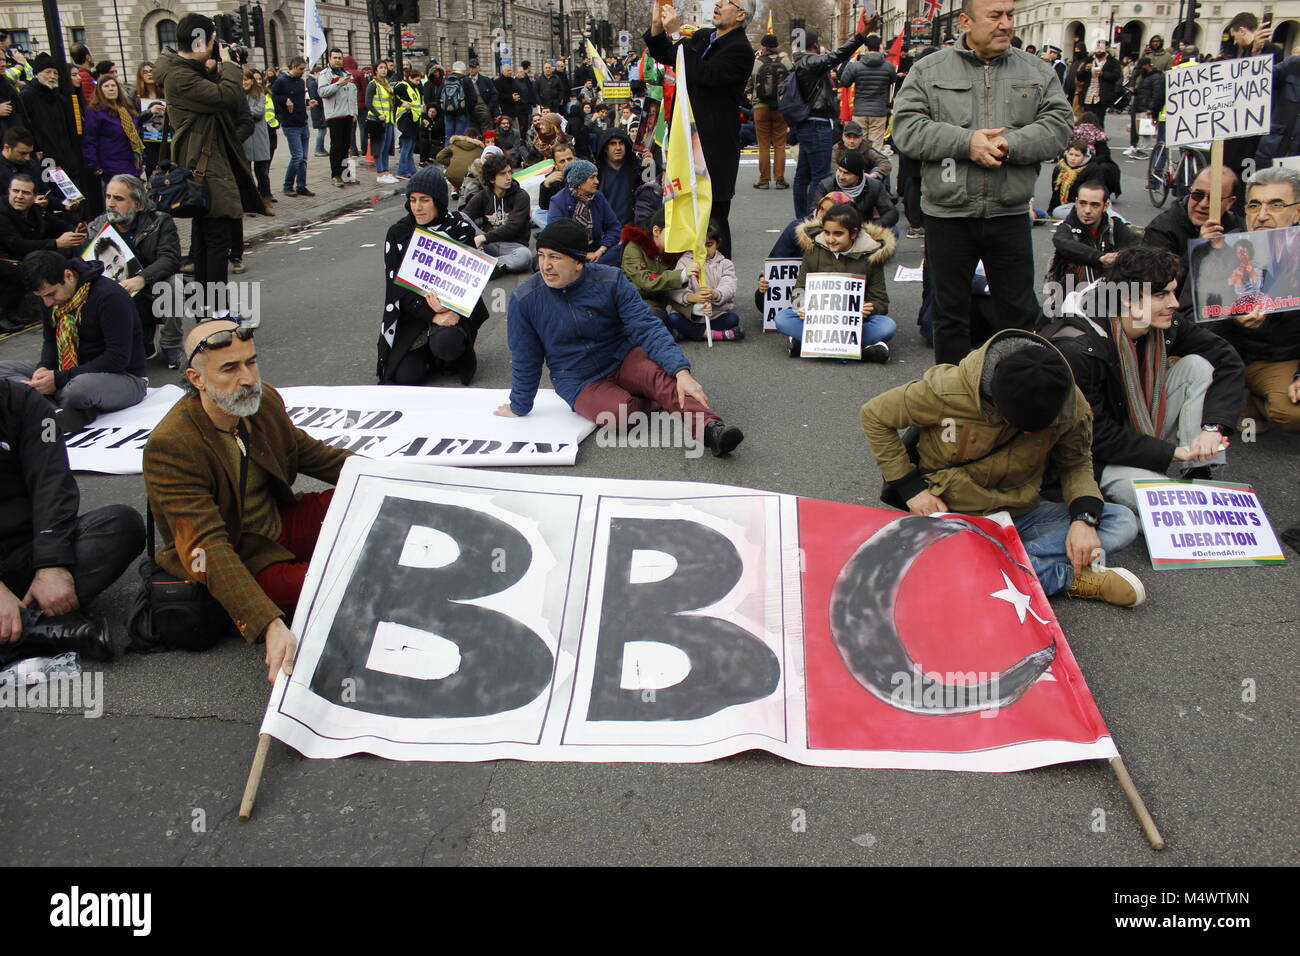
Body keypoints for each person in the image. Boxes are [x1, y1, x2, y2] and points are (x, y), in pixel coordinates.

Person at [861, 328, 1145, 607]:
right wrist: (911, 488)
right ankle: (1061, 577)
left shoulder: (1070, 404)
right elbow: (874, 415)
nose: (1032, 436)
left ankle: (997, 566)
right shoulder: (948, 391)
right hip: (954, 513)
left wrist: (1083, 520)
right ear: (995, 402)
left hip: (1020, 512)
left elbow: (1076, 463)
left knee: (1121, 521)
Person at [143, 317, 354, 682]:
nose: (248, 378)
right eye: (230, 368)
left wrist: (399, 482)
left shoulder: (263, 399)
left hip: (279, 520)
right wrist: (269, 624)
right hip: (239, 554)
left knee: (368, 505)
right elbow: (207, 547)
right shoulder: (172, 446)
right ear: (197, 380)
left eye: (251, 362)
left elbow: (318, 456)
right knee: (347, 580)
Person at [892, 0, 1073, 366]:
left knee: (1020, 317)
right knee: (950, 317)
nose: (1006, 24)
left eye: (1010, 15)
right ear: (965, 22)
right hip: (948, 214)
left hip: (1009, 212)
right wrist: (966, 142)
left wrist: (1012, 143)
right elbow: (906, 129)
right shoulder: (929, 70)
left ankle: (1017, 400)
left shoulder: (1036, 71)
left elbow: (1059, 125)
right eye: (995, 16)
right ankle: (956, 405)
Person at [496, 218, 744, 457]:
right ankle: (654, 400)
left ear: (579, 262)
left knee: (662, 379)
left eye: (555, 257)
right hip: (578, 378)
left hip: (622, 356)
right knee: (621, 415)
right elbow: (525, 358)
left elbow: (647, 327)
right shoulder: (524, 299)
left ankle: (711, 429)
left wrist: (681, 372)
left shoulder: (610, 279)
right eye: (541, 255)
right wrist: (519, 405)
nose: (545, 265)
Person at [1045, 246, 1245, 512]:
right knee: (1177, 508)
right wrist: (1171, 452)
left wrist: (1212, 429)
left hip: (1132, 427)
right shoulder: (1079, 345)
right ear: (1129, 299)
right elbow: (1092, 435)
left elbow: (1227, 359)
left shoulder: (1161, 321)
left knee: (1198, 366)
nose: (1174, 303)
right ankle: (1122, 495)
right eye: (1161, 294)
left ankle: (1197, 470)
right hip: (1089, 457)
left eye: (1173, 291)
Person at [0, 378, 143, 665]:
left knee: (122, 524)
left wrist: (51, 564)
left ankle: (21, 628)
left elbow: (51, 483)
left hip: (28, 553)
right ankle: (44, 631)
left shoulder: (22, 402)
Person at [153, 15, 262, 289]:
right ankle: (216, 312)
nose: (216, 46)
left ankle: (207, 309)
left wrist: (215, 67)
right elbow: (226, 96)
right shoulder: (180, 77)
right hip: (204, 163)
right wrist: (230, 65)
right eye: (213, 41)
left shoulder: (184, 70)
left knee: (204, 238)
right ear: (201, 42)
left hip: (202, 159)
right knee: (216, 240)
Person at [644, 0, 755, 258]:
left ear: (740, 14)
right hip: (685, 140)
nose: (718, 4)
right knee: (684, 207)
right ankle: (687, 278)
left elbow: (704, 74)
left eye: (728, 2)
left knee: (713, 216)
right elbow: (668, 56)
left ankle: (720, 282)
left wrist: (675, 34)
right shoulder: (704, 37)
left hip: (714, 145)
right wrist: (657, 26)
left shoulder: (740, 50)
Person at [0, 251, 146, 435]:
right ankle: (59, 410)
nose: (47, 303)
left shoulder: (110, 296)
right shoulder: (50, 299)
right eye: (42, 297)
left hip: (122, 377)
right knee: (3, 370)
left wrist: (59, 379)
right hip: (68, 372)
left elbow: (117, 359)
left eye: (51, 295)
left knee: (78, 388)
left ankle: (44, 404)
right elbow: (51, 341)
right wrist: (44, 368)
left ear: (68, 276)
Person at [1210, 165, 1300, 433]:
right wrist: (1231, 316)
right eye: (1254, 205)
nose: (1262, 215)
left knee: (1292, 412)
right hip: (1226, 353)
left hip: (1277, 359)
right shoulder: (1220, 247)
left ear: (1297, 211)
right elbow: (1189, 316)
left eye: (1276, 205)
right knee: (1175, 367)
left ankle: (1260, 402)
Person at [378, 167, 487, 386]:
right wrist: (432, 313)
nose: (417, 207)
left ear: (438, 201)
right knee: (406, 378)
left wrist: (449, 308)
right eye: (412, 199)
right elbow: (396, 289)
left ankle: (446, 356)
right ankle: (424, 354)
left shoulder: (459, 228)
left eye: (425, 200)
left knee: (447, 344)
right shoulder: (398, 233)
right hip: (413, 313)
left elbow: (469, 282)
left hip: (452, 311)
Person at [773, 202, 896, 362]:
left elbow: (881, 302)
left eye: (838, 234)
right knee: (782, 318)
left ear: (853, 233)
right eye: (827, 233)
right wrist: (801, 307)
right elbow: (799, 290)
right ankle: (860, 351)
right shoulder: (813, 250)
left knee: (887, 326)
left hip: (854, 324)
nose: (830, 239)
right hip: (817, 321)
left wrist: (870, 308)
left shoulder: (871, 256)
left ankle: (809, 345)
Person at [82, 173, 181, 366]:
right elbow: (88, 266)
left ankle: (172, 345)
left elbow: (170, 259)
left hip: (149, 287)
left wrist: (141, 278)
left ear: (137, 203)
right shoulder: (96, 226)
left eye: (118, 198)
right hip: (114, 292)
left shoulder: (160, 222)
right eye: (108, 196)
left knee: (173, 284)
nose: (110, 203)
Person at [785, 27, 871, 220]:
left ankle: (802, 219)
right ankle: (813, 218)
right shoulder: (809, 61)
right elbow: (836, 56)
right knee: (819, 176)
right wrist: (860, 37)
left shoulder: (799, 62)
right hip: (817, 124)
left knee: (803, 175)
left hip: (807, 124)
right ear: (815, 46)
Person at [1143, 165, 1243, 301]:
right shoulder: (1162, 229)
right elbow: (1155, 285)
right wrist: (1198, 249)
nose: (1203, 204)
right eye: (1197, 195)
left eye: (1213, 199)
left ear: (1230, 202)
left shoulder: (1238, 228)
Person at [17, 55, 92, 214]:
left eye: (55, 73)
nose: (52, 76)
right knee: (53, 198)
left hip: (66, 157)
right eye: (47, 72)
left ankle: (78, 223)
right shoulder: (27, 96)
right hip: (45, 158)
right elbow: (23, 125)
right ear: (37, 74)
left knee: (73, 198)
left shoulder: (59, 97)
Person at [1044, 181, 1138, 287]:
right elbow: (1062, 242)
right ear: (1076, 202)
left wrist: (1119, 256)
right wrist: (1099, 257)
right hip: (1072, 293)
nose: (1087, 210)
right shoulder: (1066, 227)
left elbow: (1137, 245)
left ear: (1106, 206)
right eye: (1082, 203)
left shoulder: (1114, 225)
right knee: (1084, 265)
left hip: (1111, 287)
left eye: (1095, 205)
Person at [666, 220, 742, 342]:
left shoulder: (725, 264)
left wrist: (715, 293)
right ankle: (713, 335)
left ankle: (689, 333)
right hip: (691, 314)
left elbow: (729, 286)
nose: (704, 250)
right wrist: (692, 297)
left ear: (717, 244)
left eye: (709, 244)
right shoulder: (684, 262)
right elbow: (675, 289)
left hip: (715, 313)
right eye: (699, 245)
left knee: (732, 319)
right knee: (673, 319)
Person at [462, 153, 533, 275]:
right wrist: (474, 237)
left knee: (525, 256)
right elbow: (464, 217)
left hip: (513, 247)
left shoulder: (521, 196)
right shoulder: (483, 196)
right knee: (461, 217)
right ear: (491, 179)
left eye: (510, 172)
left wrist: (482, 238)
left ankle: (484, 264)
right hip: (490, 245)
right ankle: (491, 264)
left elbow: (513, 227)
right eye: (503, 174)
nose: (508, 177)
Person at [546, 159, 622, 263]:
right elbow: (557, 238)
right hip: (570, 254)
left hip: (597, 252)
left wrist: (601, 250)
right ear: (579, 181)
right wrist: (583, 255)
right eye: (592, 177)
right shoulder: (558, 201)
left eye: (596, 176)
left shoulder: (598, 197)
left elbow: (614, 227)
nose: (597, 181)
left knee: (621, 250)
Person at [810, 150, 898, 231]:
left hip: (864, 228)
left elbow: (891, 212)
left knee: (894, 230)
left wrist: (872, 226)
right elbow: (813, 211)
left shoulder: (874, 186)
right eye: (839, 171)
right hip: (834, 230)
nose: (841, 176)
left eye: (846, 173)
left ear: (858, 175)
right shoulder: (826, 185)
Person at [748, 34, 792, 190]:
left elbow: (749, 85)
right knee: (780, 144)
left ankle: (764, 179)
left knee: (764, 144)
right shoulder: (786, 62)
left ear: (764, 47)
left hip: (761, 107)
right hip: (780, 107)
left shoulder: (757, 63)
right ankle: (780, 179)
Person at [839, 34, 898, 150]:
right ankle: (873, 167)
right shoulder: (888, 66)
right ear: (880, 47)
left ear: (866, 47)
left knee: (858, 144)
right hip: (879, 110)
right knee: (875, 146)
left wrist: (850, 63)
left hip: (860, 110)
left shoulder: (856, 65)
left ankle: (860, 167)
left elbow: (844, 82)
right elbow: (893, 80)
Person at [273, 57, 314, 197]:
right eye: (301, 69)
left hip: (302, 122)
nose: (303, 72)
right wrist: (285, 100)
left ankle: (301, 186)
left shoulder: (301, 82)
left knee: (303, 158)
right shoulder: (281, 81)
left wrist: (308, 103)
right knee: (297, 156)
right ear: (294, 67)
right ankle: (288, 185)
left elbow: (300, 100)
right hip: (290, 125)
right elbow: (272, 95)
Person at [317, 48, 357, 188]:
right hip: (334, 115)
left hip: (348, 114)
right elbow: (322, 92)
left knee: (346, 145)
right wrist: (338, 83)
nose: (338, 60)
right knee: (336, 146)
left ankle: (346, 174)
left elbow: (353, 95)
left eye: (340, 58)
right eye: (335, 58)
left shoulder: (347, 74)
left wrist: (354, 112)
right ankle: (336, 175)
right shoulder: (324, 74)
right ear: (329, 59)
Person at [239, 69, 274, 215]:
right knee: (245, 174)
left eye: (247, 79)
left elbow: (259, 113)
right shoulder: (236, 96)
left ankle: (266, 201)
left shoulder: (259, 94)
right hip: (244, 139)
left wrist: (242, 111)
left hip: (259, 138)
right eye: (242, 80)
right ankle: (249, 202)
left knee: (262, 172)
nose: (245, 82)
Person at [594, 126, 639, 227]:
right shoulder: (596, 174)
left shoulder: (637, 169)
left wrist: (651, 165)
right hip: (606, 231)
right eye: (613, 144)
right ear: (605, 148)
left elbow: (651, 187)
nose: (618, 148)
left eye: (621, 143)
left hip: (632, 229)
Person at [366, 61, 398, 186]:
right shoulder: (373, 84)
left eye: (385, 68)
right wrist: (378, 114)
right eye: (381, 68)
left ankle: (386, 171)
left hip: (388, 120)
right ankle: (380, 173)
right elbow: (368, 102)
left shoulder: (387, 84)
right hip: (377, 121)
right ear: (376, 71)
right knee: (379, 148)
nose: (384, 70)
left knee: (386, 148)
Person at [832, 120, 892, 184]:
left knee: (880, 171)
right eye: (848, 137)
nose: (852, 141)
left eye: (855, 137)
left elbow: (885, 163)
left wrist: (875, 174)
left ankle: (882, 193)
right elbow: (832, 166)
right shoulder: (837, 148)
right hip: (842, 179)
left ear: (861, 138)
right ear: (843, 137)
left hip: (865, 181)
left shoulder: (866, 149)